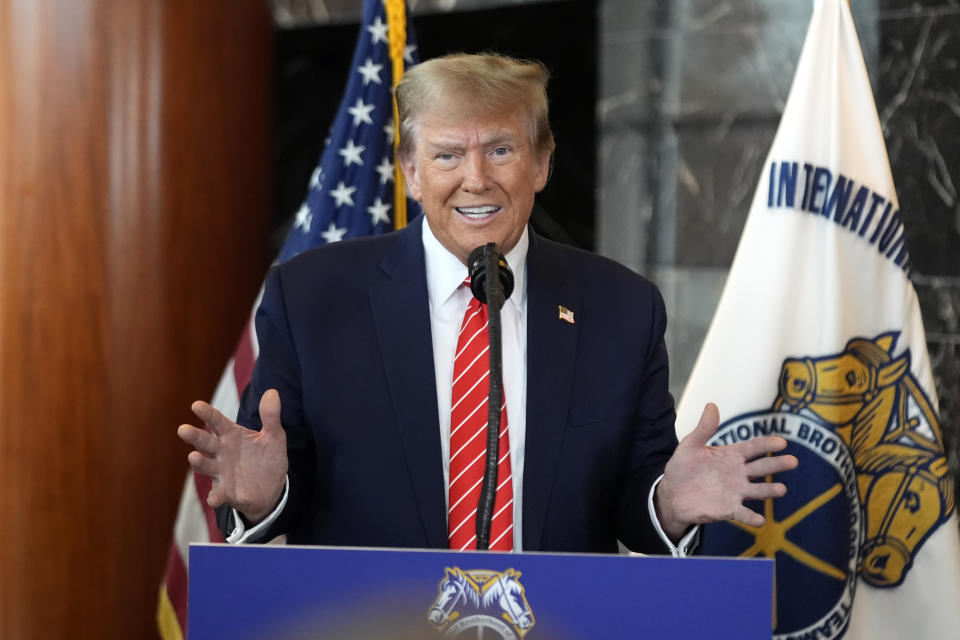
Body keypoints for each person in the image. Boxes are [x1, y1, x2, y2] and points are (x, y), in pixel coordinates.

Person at [177, 53, 796, 555]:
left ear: (543, 163)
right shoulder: (313, 297)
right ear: (411, 172)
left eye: (500, 150)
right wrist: (264, 496)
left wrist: (667, 503)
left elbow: (632, 498)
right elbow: (288, 474)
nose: (476, 179)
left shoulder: (622, 308)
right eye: (447, 155)